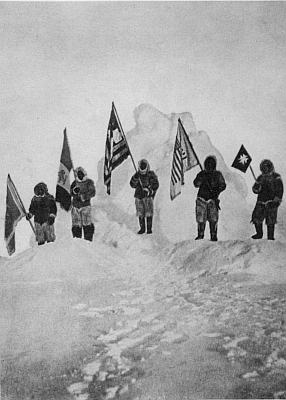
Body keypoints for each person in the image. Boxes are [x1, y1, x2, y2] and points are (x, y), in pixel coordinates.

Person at [193, 155, 226, 241]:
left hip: (212, 199)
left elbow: (223, 185)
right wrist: (201, 178)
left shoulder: (217, 175)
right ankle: (200, 234)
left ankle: (213, 235)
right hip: (202, 199)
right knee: (200, 218)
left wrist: (216, 191)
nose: (209, 166)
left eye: (211, 164)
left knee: (213, 218)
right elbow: (196, 184)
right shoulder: (201, 174)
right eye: (208, 164)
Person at [251, 159, 283, 240]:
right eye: (263, 167)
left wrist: (276, 201)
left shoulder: (276, 177)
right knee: (256, 217)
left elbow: (280, 190)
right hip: (261, 202)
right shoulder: (260, 177)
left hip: (271, 202)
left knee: (270, 220)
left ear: (270, 167)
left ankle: (270, 237)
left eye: (267, 167)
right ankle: (259, 234)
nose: (265, 169)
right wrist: (257, 185)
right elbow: (255, 190)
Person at [130, 159, 159, 234]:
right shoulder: (137, 175)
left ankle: (149, 229)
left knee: (148, 212)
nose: (142, 168)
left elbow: (155, 185)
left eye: (144, 166)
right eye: (141, 166)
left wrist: (149, 190)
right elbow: (132, 185)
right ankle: (142, 228)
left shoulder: (151, 174)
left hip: (147, 197)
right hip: (139, 196)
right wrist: (135, 178)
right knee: (140, 213)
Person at [70, 167, 96, 241]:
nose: (80, 175)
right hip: (75, 207)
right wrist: (74, 191)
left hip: (85, 206)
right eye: (78, 174)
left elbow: (92, 192)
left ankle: (88, 239)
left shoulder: (89, 182)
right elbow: (71, 192)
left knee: (87, 223)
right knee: (76, 224)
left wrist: (84, 196)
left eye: (81, 174)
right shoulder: (75, 183)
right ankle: (77, 240)